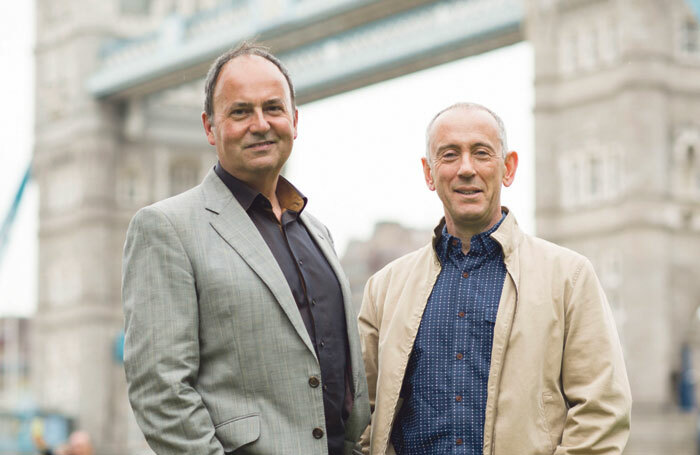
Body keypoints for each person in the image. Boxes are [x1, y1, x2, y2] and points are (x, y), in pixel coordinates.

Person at [122, 41, 369, 455]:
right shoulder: (166, 228)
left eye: (273, 108)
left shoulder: (318, 232)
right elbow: (160, 392)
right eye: (240, 112)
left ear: (294, 119)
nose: (260, 124)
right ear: (209, 126)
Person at [358, 102, 632, 455]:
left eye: (482, 153)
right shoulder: (384, 289)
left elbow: (602, 411)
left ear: (509, 168)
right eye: (450, 155)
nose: (466, 169)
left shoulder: (570, 277)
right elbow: (360, 418)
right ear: (429, 173)